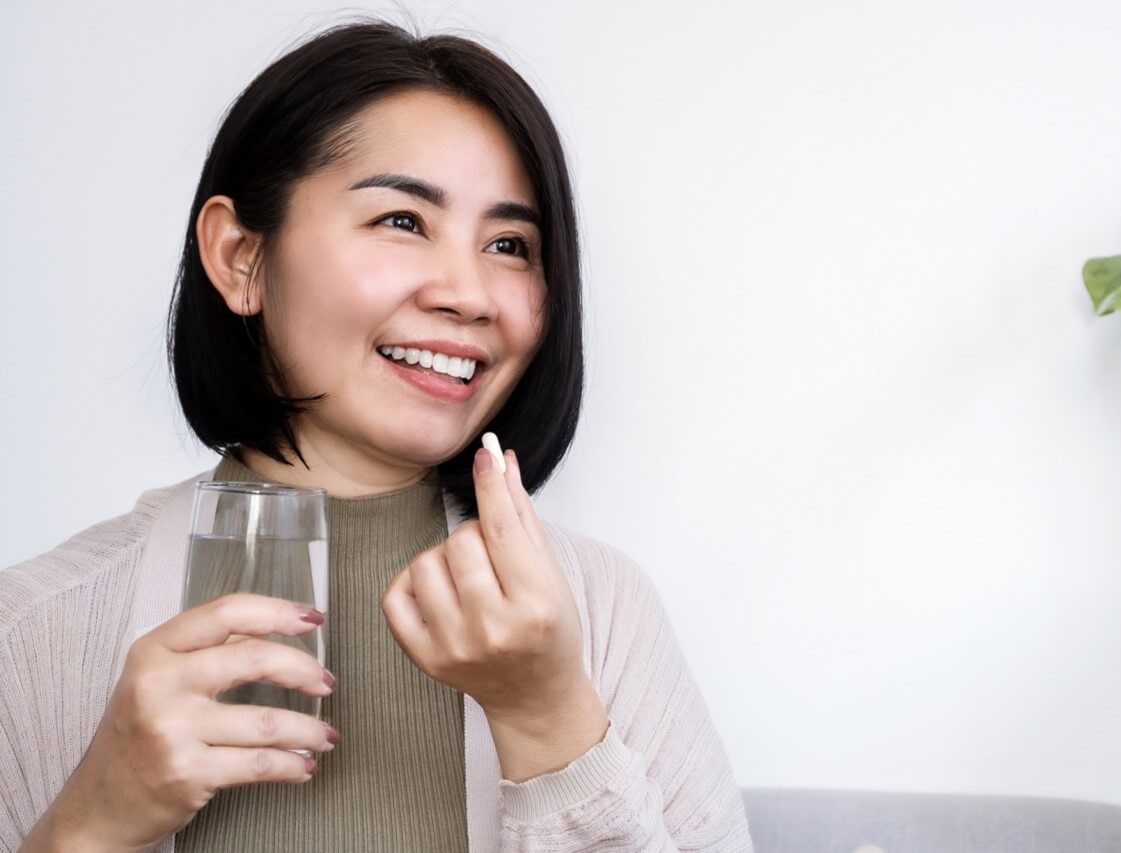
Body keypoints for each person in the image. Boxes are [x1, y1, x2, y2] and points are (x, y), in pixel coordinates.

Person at [0, 16, 754, 853]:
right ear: (240, 255)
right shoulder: (36, 631)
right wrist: (89, 824)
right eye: (401, 221)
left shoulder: (605, 614)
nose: (468, 294)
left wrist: (549, 723)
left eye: (510, 244)